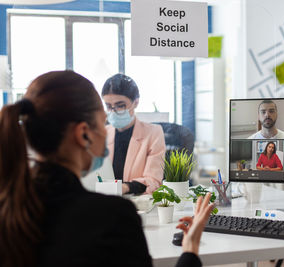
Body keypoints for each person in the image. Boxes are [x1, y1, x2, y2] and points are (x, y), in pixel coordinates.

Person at [0, 71, 214, 267]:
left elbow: (152, 180)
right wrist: (190, 249)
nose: (106, 128)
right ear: (83, 133)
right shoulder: (113, 218)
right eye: (102, 120)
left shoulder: (9, 207)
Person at [102, 74, 166, 195]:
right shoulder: (101, 134)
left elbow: (153, 181)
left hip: (137, 203)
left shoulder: (153, 133)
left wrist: (124, 188)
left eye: (120, 105)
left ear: (135, 102)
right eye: (109, 106)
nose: (114, 111)